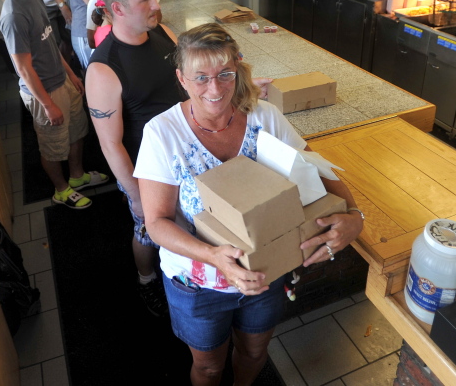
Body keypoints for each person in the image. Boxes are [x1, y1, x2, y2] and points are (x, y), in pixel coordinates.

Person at [134, 23, 364, 385]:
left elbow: (317, 168)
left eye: (225, 74)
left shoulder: (264, 117)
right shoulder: (162, 133)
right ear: (181, 78)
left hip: (265, 272)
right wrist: (213, 256)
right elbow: (157, 223)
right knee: (208, 367)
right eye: (201, 77)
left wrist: (355, 215)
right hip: (198, 283)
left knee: (255, 352)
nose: (215, 89)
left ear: (237, 69)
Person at [86, 0, 183, 317]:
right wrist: (136, 195)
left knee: (185, 227)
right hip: (148, 172)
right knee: (146, 232)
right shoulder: (104, 69)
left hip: (185, 155)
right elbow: (110, 144)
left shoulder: (164, 34)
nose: (156, 4)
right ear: (118, 8)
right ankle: (146, 279)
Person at [0, 0, 109, 209]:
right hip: (44, 90)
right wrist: (47, 104)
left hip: (62, 80)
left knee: (77, 131)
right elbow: (23, 68)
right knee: (52, 145)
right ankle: (61, 190)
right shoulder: (13, 15)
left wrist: (71, 74)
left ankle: (77, 176)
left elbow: (49, 44)